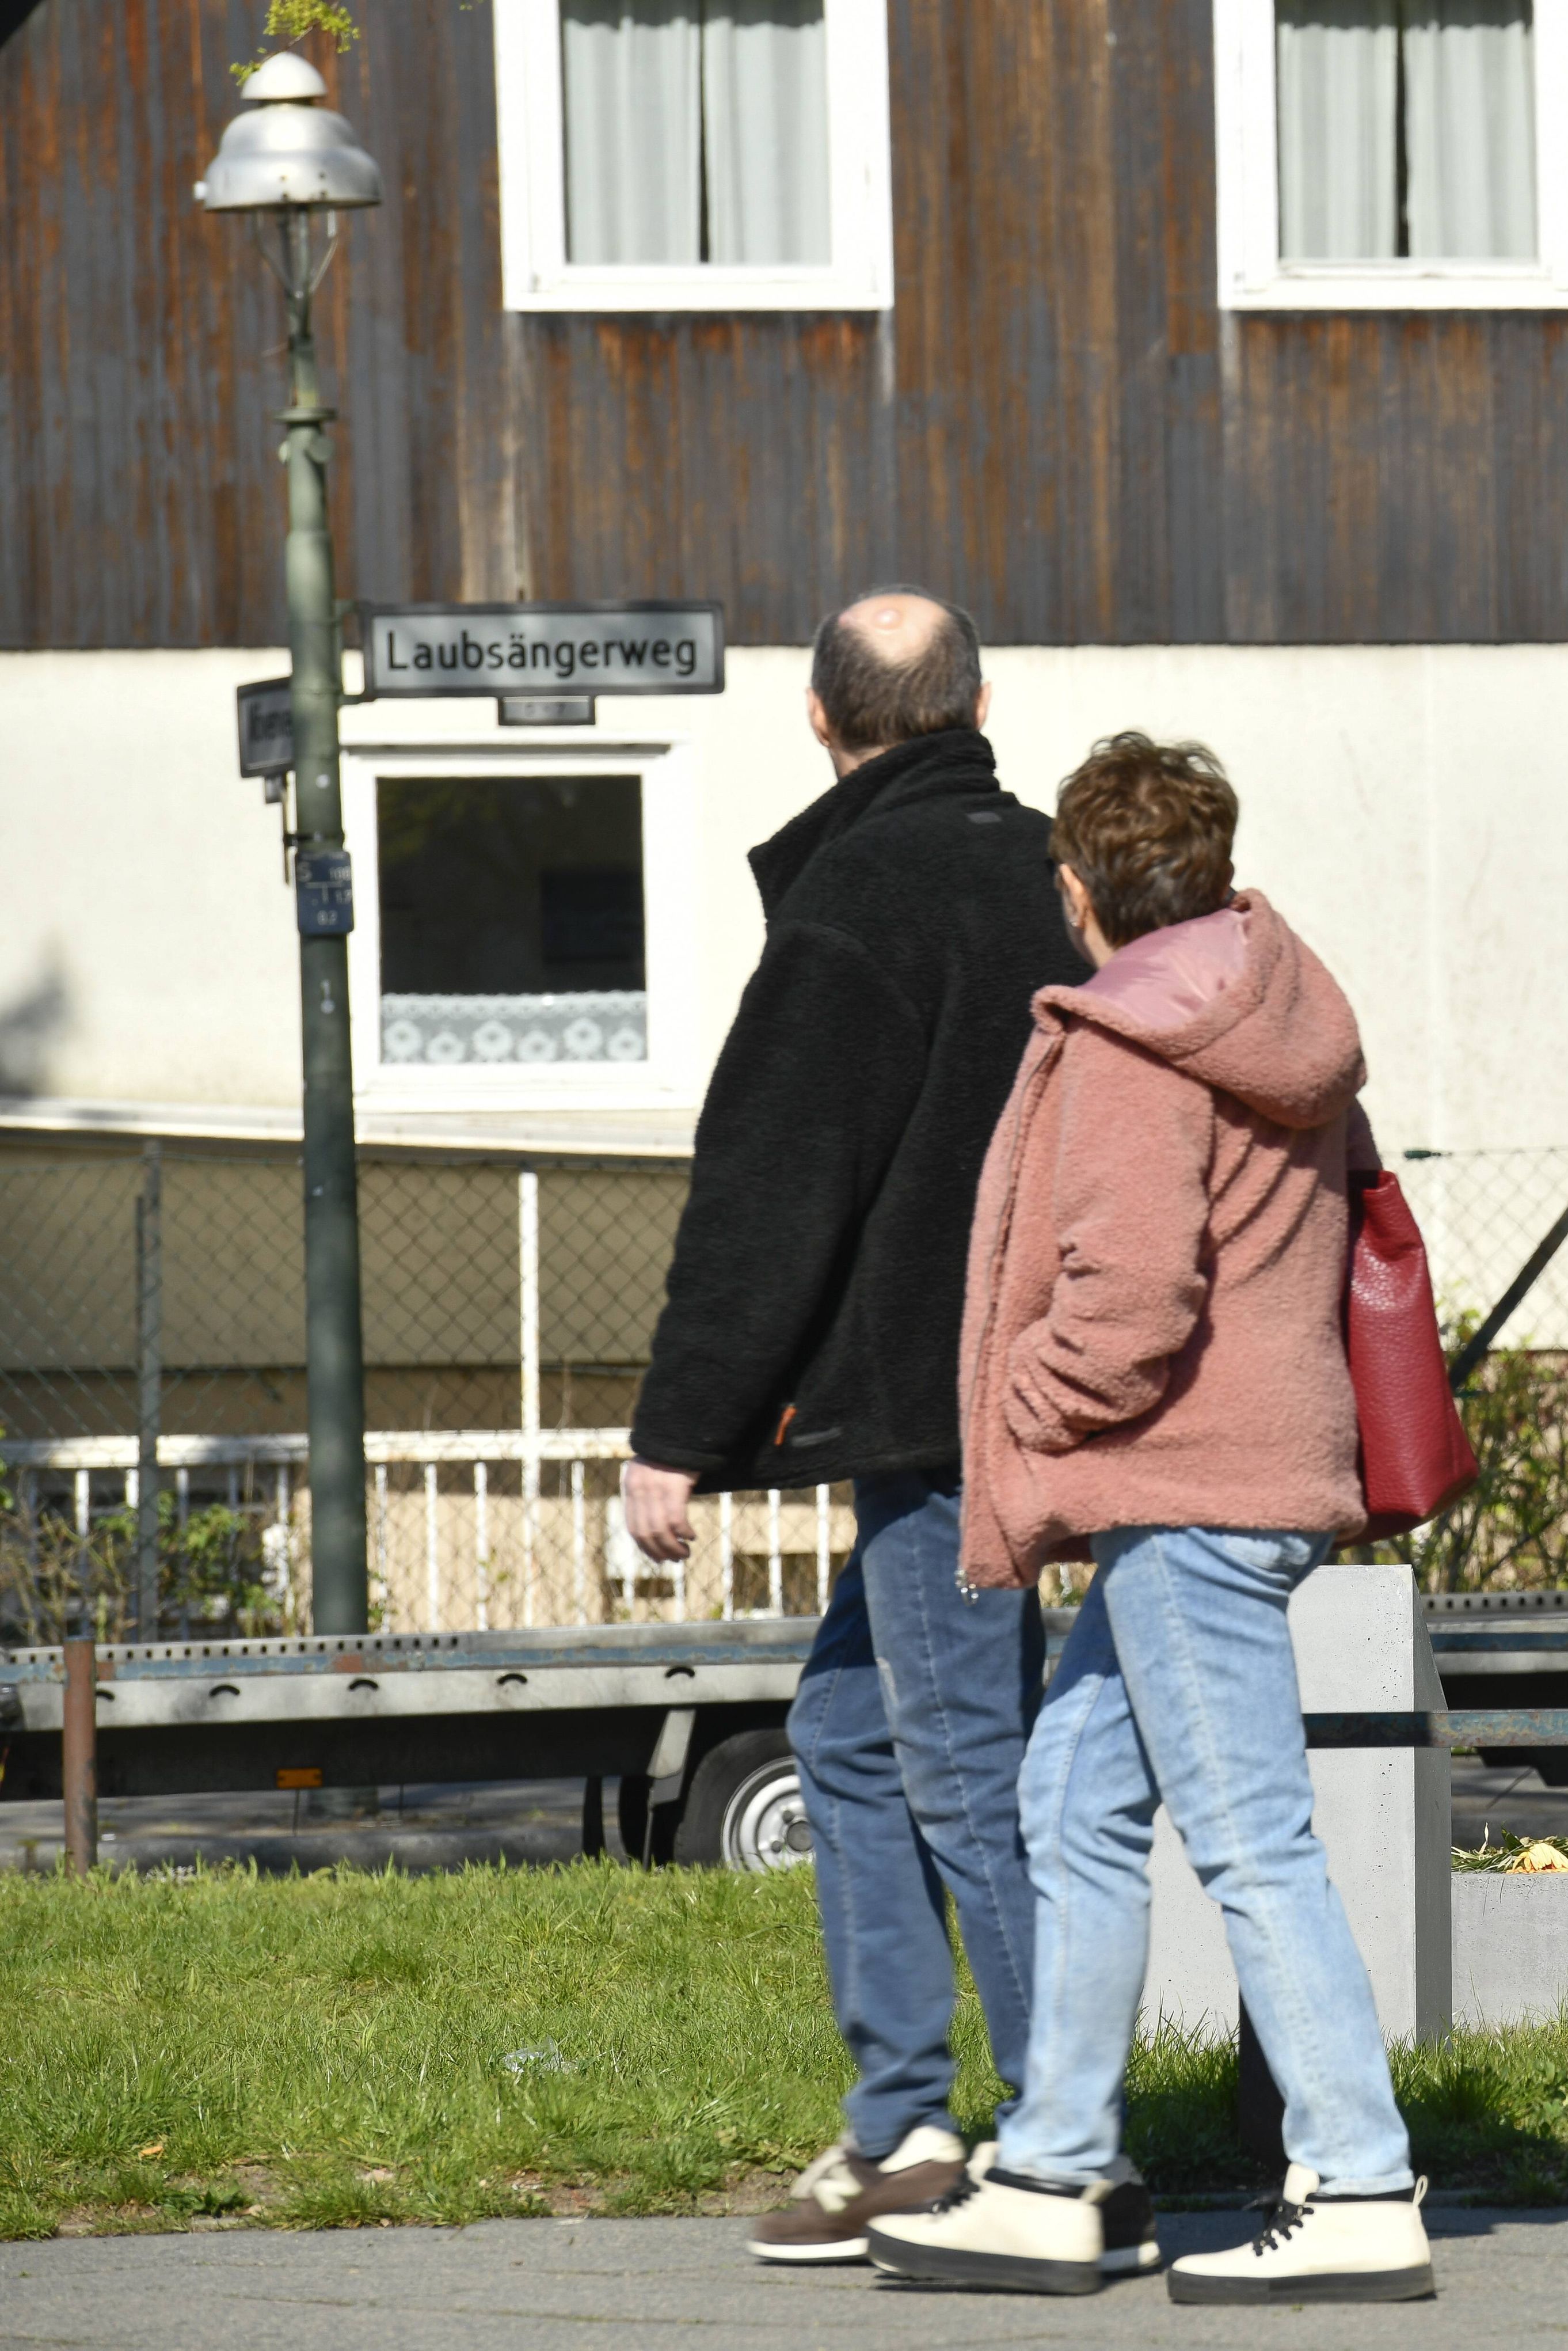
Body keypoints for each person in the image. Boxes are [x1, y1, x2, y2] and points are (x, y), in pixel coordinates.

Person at [862, 734, 1433, 2304]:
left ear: (1079, 887)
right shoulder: (1274, 1006)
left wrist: (1022, 1407)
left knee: (1252, 1843)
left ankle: (1361, 2174)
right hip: (1249, 1477)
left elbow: (1126, 1304)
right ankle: (1055, 2167)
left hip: (1182, 1490)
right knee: (1070, 1800)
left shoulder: (1128, 1042)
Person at [618, 590, 1146, 2270]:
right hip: (1052, 1385)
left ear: (819, 718)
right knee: (848, 1731)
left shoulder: (854, 898)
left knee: (967, 1760)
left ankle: (1070, 2148)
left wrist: (677, 1428)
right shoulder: (1057, 876)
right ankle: (906, 2123)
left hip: (936, 1419)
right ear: (982, 701)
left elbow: (773, 1180)